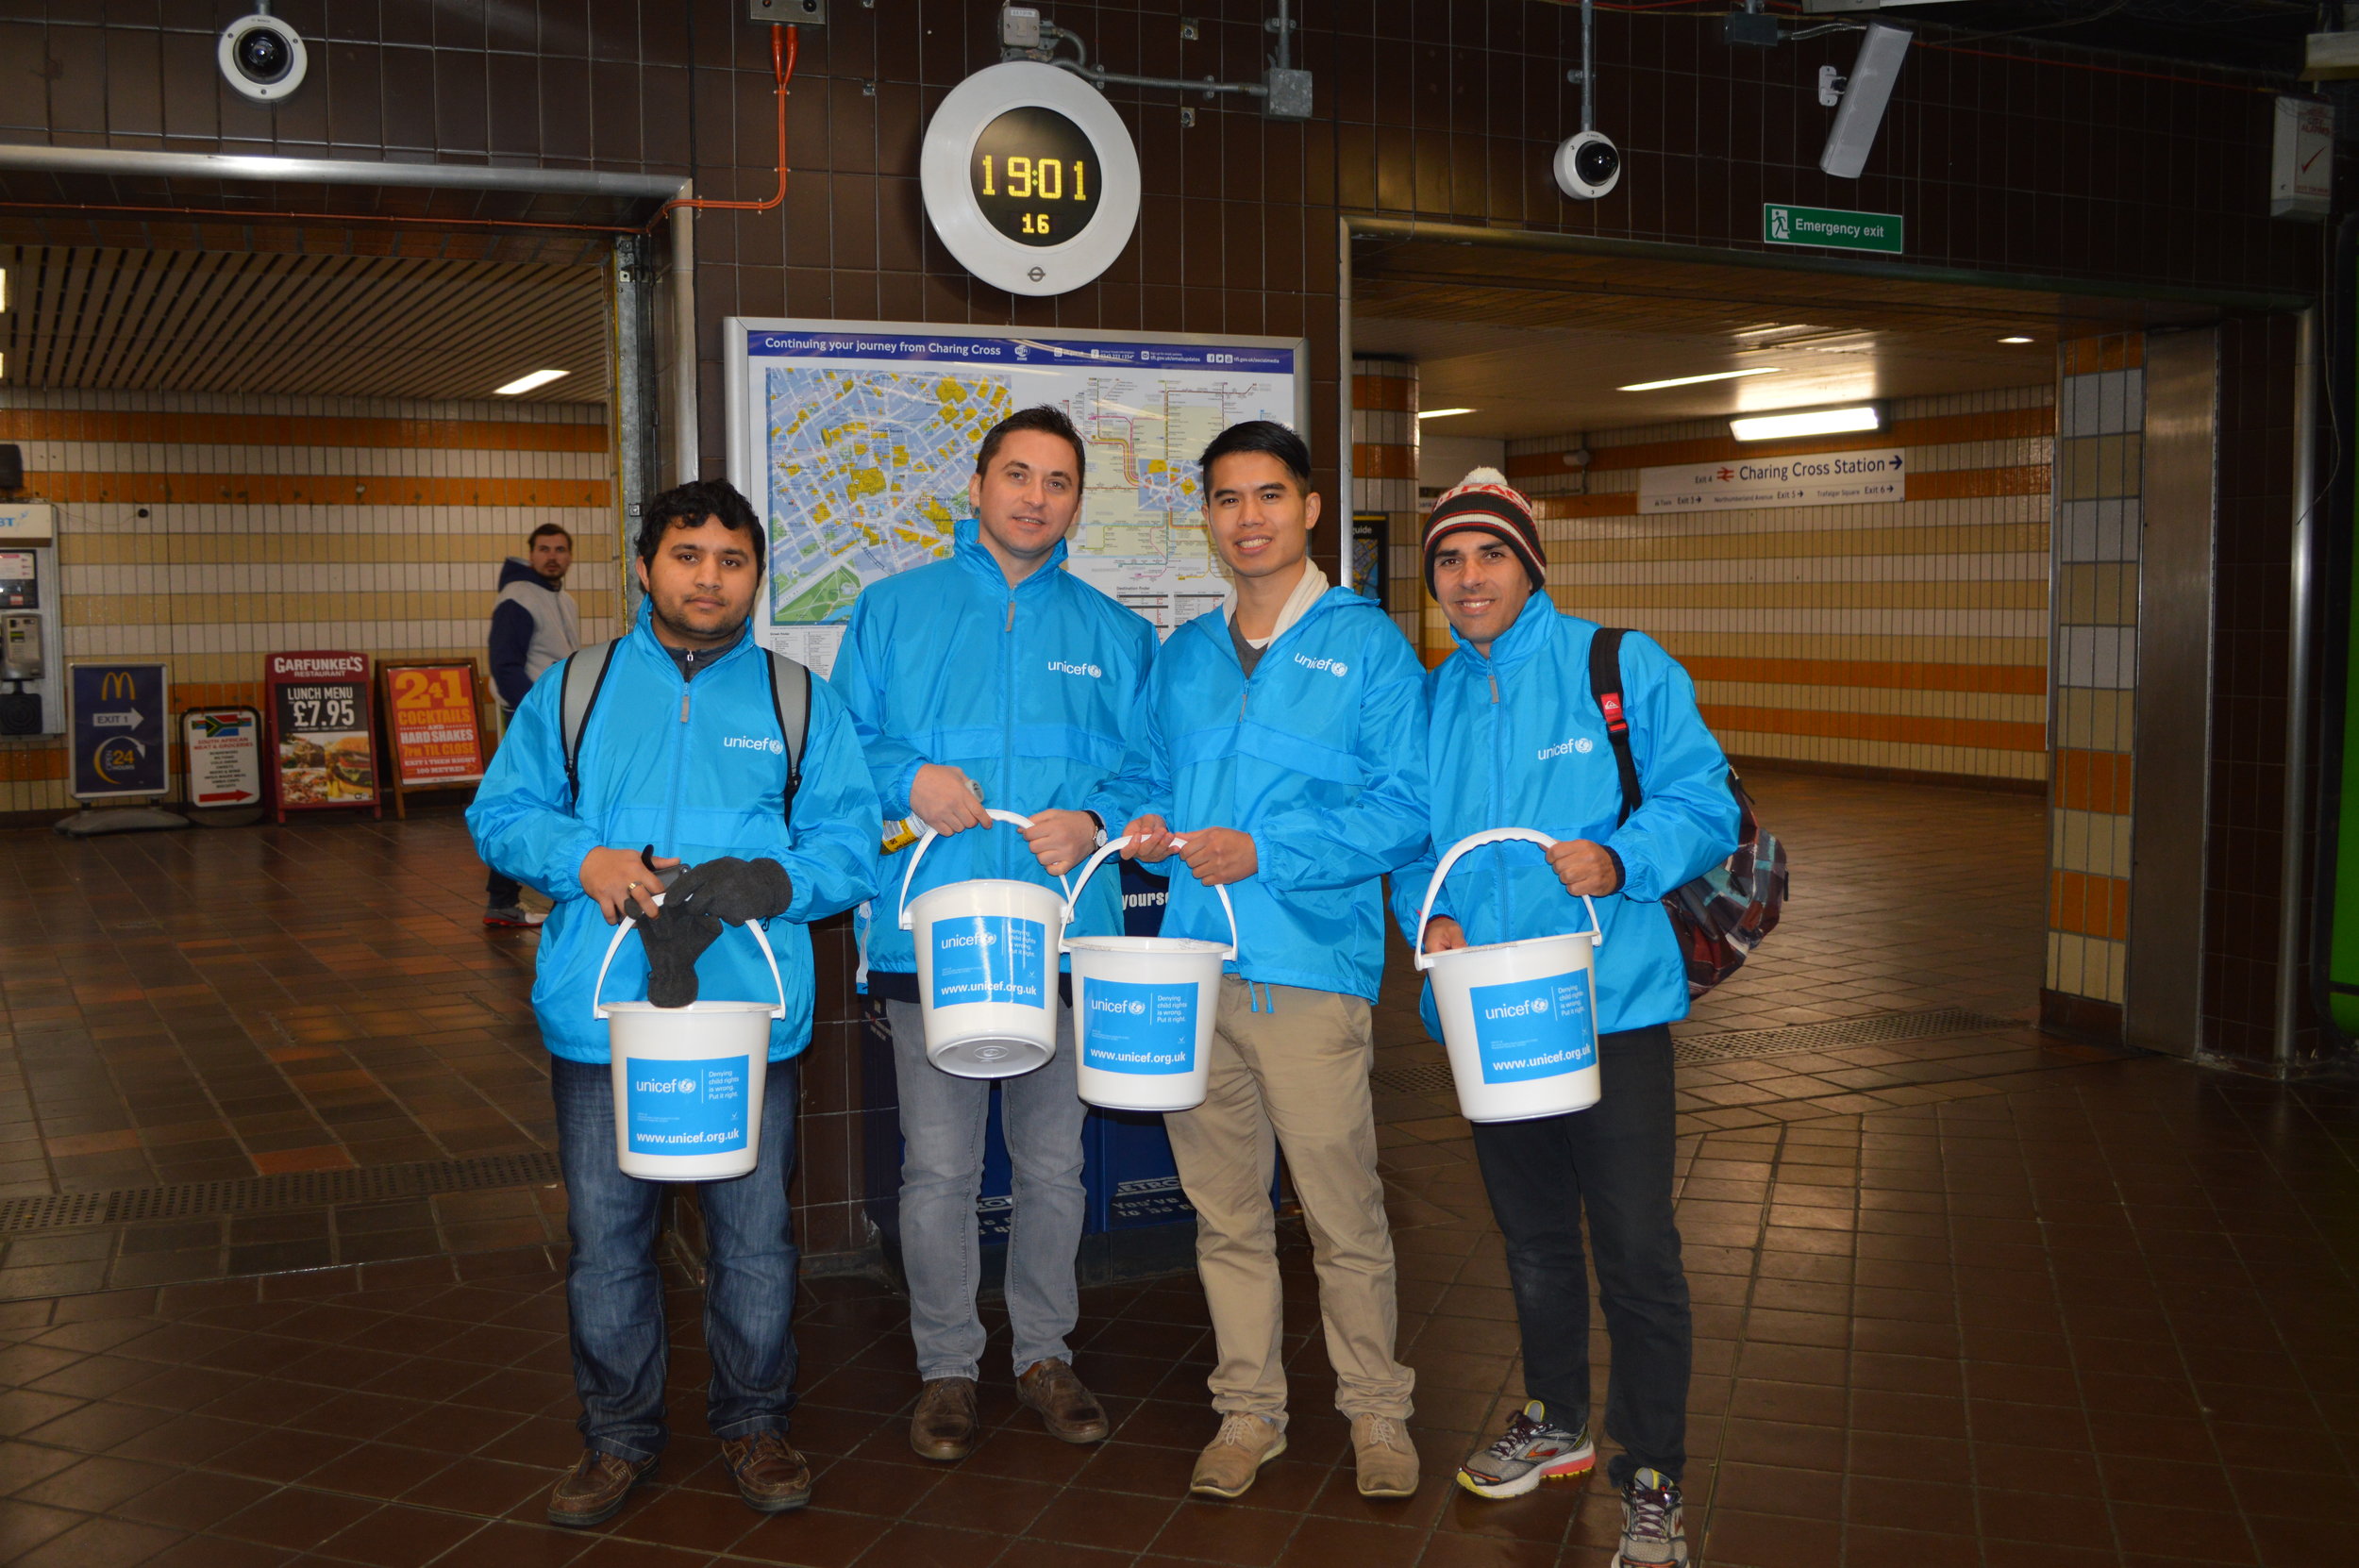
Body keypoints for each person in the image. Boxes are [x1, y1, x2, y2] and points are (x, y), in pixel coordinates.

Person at [469, 479, 879, 1528]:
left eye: (732, 559)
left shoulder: (798, 700)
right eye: (688, 556)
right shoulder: (576, 687)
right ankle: (617, 1439)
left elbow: (848, 838)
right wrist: (582, 857)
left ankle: (754, 1422)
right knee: (610, 1240)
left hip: (750, 1019)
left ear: (754, 573)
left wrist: (782, 881)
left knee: (753, 1239)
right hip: (604, 1015)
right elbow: (500, 813)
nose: (710, 577)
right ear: (645, 567)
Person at [1393, 469, 1737, 1568]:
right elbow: (1411, 844)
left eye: (1488, 554)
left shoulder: (1616, 666)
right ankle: (1554, 1421)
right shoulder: (1434, 695)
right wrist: (1428, 917)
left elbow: (1702, 799)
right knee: (1535, 1238)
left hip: (1611, 1008)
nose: (1467, 577)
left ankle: (1652, 1478)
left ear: (1528, 565)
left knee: (1636, 1247)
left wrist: (1621, 857)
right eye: (1448, 559)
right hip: (1491, 1013)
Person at [1111, 420, 1430, 1500]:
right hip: (1191, 971)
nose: (1247, 519)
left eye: (1268, 497)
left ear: (1307, 509)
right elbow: (1142, 775)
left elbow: (1404, 809)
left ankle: (1378, 1416)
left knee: (1343, 1213)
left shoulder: (1371, 646)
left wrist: (1270, 851)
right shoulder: (1185, 656)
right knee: (1225, 1215)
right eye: (1226, 500)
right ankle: (1248, 1414)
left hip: (1309, 972)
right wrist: (1144, 821)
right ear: (1205, 517)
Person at [830, 407, 1155, 1462]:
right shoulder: (890, 611)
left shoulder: (1117, 634)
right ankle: (946, 1366)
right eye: (1016, 475)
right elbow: (843, 753)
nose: (1034, 497)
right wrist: (905, 779)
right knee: (938, 1170)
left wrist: (1097, 820)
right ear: (976, 487)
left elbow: (1150, 778)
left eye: (1057, 481)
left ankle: (1043, 1353)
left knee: (1055, 1166)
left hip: (1061, 941)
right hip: (937, 937)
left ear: (1074, 502)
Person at [483, 522, 581, 926]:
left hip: (557, 715)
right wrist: (531, 716)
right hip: (530, 717)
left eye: (560, 549)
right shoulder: (519, 597)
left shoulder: (564, 600)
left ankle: (513, 897)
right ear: (531, 553)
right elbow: (505, 666)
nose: (552, 556)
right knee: (525, 800)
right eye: (544, 549)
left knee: (544, 800)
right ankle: (503, 899)